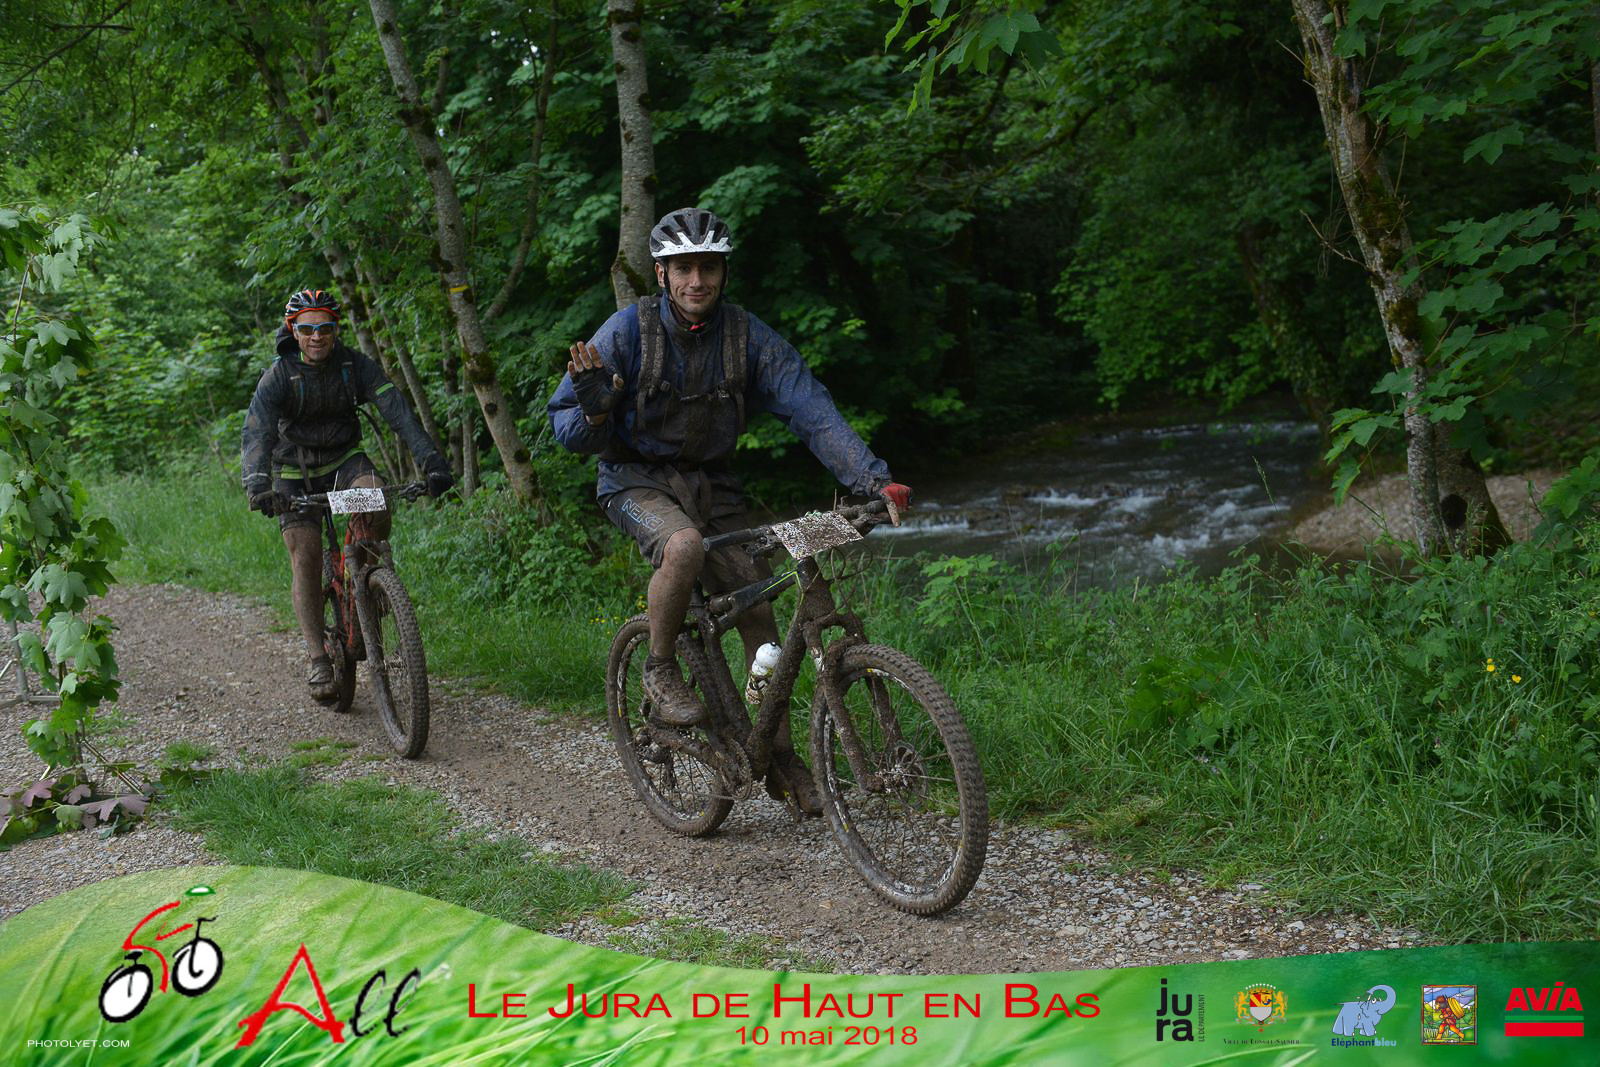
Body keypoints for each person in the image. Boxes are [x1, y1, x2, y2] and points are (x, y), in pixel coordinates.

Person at [548, 207, 911, 815]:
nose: (697, 281)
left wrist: (873, 481)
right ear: (662, 275)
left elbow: (809, 406)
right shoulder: (627, 332)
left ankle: (779, 756)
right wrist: (595, 412)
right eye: (683, 269)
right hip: (634, 480)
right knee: (684, 546)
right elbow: (567, 431)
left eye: (709, 268)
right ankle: (660, 667)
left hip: (713, 486)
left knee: (759, 609)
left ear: (723, 272)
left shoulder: (747, 338)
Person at [241, 288, 453, 699]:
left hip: (344, 462)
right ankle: (318, 657)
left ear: (336, 330)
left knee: (376, 501)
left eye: (325, 327)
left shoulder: (355, 366)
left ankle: (369, 585)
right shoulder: (279, 376)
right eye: (307, 329)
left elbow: (397, 411)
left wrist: (431, 460)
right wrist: (258, 485)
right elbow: (257, 431)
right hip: (294, 471)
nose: (316, 336)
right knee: (306, 554)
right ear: (293, 331)